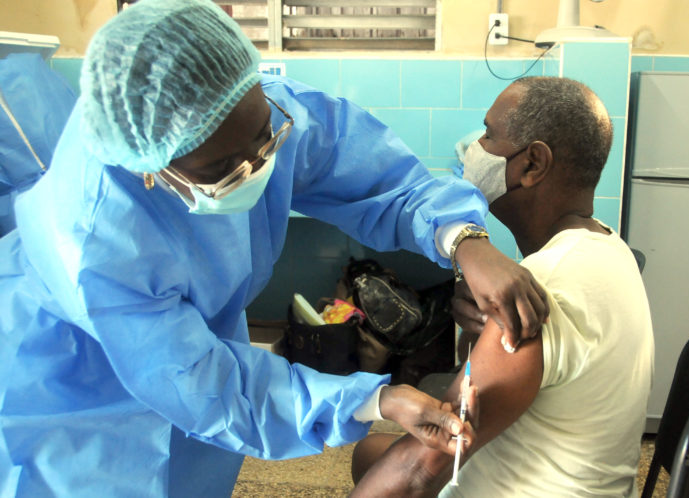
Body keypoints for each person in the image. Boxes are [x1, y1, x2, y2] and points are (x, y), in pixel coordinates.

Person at [0, 0, 549, 496]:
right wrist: (372, 400)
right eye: (224, 167)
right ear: (152, 170)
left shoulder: (245, 108)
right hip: (70, 391)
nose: (259, 163)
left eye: (266, 134)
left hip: (187, 359)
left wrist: (464, 239)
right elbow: (206, 385)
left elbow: (375, 174)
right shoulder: (97, 243)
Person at [350, 76, 655, 497]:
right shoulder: (607, 246)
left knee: (391, 465)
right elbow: (487, 379)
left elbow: (418, 472)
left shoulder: (541, 289)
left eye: (488, 135)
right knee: (368, 453)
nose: (474, 149)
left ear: (532, 164)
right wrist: (477, 332)